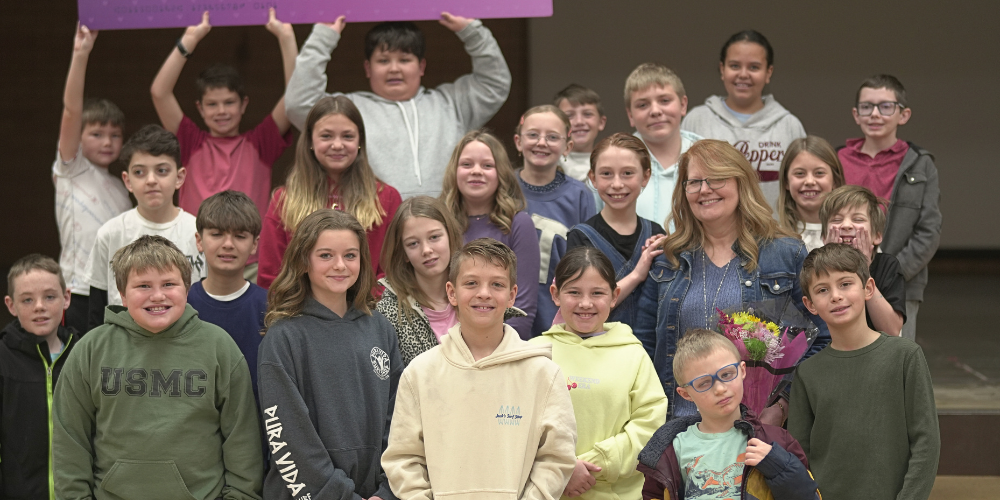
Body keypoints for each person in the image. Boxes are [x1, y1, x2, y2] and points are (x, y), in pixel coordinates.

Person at [54, 235, 262, 499]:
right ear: (122, 294)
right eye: (142, 285)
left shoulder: (219, 347)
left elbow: (242, 439)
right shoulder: (91, 350)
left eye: (168, 284)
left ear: (187, 289)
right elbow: (70, 439)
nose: (157, 295)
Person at [634, 139, 824, 424]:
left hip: (755, 430)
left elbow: (820, 339)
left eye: (717, 178)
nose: (704, 189)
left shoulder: (785, 254)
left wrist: (783, 406)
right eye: (694, 182)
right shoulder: (666, 259)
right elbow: (643, 347)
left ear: (741, 183)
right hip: (679, 430)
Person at [381, 238, 577, 500]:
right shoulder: (419, 374)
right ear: (451, 292)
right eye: (471, 283)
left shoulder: (544, 374)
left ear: (511, 295)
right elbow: (403, 458)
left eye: (496, 284)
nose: (484, 293)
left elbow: (557, 457)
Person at [284, 12, 511, 198]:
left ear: (421, 66)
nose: (394, 69)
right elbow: (298, 103)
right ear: (367, 68)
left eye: (404, 60)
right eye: (383, 61)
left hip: (447, 227)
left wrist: (471, 31)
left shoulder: (451, 104)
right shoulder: (349, 111)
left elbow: (495, 83)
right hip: (374, 226)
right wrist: (323, 37)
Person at [258, 209, 401, 500]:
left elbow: (400, 418)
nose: (340, 265)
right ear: (303, 260)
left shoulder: (380, 328)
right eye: (325, 255)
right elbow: (287, 436)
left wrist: (387, 491)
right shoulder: (284, 337)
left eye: (350, 255)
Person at [789, 244, 940, 500]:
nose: (836, 296)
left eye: (845, 284)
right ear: (810, 304)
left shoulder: (905, 356)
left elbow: (926, 442)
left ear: (868, 288)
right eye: (823, 290)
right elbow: (799, 453)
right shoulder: (807, 372)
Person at [150, 11, 296, 264]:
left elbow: (296, 99)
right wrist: (188, 41)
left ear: (244, 104)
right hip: (194, 260)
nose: (221, 111)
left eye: (229, 102)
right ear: (200, 108)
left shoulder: (261, 142)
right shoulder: (190, 141)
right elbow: (159, 92)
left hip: (250, 264)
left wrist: (286, 38)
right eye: (212, 104)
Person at [531, 247, 667, 500]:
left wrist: (599, 462)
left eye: (597, 293)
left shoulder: (633, 354)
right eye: (573, 292)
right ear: (555, 294)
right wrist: (562, 470)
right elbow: (517, 426)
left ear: (614, 295)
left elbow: (650, 423)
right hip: (546, 491)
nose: (585, 303)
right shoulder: (533, 353)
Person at [637, 329, 819, 500]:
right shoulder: (671, 449)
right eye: (703, 383)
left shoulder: (775, 441)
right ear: (686, 394)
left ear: (742, 371)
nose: (720, 389)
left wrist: (779, 466)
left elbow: (810, 496)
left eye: (727, 374)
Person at [258, 96, 401, 289]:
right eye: (326, 136)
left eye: (347, 136)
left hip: (368, 312)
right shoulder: (284, 200)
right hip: (300, 314)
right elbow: (270, 277)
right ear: (310, 140)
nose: (337, 145)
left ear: (360, 140)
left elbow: (392, 273)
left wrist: (361, 309)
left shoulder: (386, 198)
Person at [837, 74, 941, 341]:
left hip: (901, 281)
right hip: (841, 279)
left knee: (895, 362)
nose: (874, 114)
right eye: (866, 107)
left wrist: (890, 273)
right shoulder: (838, 159)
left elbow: (928, 232)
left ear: (903, 115)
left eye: (885, 106)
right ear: (855, 114)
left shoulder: (920, 164)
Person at [84, 124, 203, 330]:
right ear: (127, 180)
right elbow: (96, 309)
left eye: (162, 171)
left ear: (180, 177)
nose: (151, 180)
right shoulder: (110, 234)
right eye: (139, 172)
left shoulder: (198, 231)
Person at [54, 23, 132, 334]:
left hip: (114, 291)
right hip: (77, 290)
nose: (107, 141)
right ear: (80, 137)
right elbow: (72, 111)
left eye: (115, 135)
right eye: (96, 134)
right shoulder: (70, 168)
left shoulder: (122, 187)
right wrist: (80, 53)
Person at [682, 30, 806, 209]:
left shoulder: (789, 126)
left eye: (754, 67)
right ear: (722, 69)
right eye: (734, 66)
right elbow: (684, 185)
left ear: (768, 72)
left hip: (774, 234)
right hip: (711, 235)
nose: (743, 74)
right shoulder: (697, 120)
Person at [440, 130, 539, 336]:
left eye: (487, 165)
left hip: (504, 346)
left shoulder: (519, 224)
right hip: (447, 342)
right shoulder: (440, 224)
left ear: (501, 173)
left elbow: (523, 309)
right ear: (454, 172)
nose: (476, 171)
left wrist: (491, 350)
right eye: (467, 164)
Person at [566, 133, 666, 327]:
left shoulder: (656, 233)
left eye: (628, 173)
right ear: (593, 178)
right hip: (597, 348)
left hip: (648, 349)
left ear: (646, 177)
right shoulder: (580, 237)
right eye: (606, 174)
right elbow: (584, 305)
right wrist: (637, 274)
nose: (617, 184)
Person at [515, 105, 597, 336]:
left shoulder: (580, 196)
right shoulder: (502, 189)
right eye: (533, 135)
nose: (541, 142)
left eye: (552, 137)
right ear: (518, 141)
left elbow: (586, 263)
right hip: (504, 322)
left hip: (558, 324)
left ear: (567, 146)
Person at [1, 255, 77, 498]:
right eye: (27, 300)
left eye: (50, 296)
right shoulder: (3, 358)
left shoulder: (83, 355)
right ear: (11, 305)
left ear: (66, 299)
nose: (39, 306)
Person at [188, 190, 268, 404]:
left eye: (240, 236)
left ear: (254, 244)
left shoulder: (271, 308)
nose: (228, 244)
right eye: (216, 234)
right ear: (199, 240)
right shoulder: (182, 305)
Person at [621, 63, 703, 227]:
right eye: (642, 105)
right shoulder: (614, 160)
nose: (655, 111)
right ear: (630, 115)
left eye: (664, 100)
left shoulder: (709, 156)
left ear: (683, 105)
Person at [820, 185, 906, 335]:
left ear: (877, 236)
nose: (846, 225)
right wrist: (831, 263)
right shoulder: (815, 268)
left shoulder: (888, 265)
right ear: (824, 237)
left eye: (858, 219)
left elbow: (891, 330)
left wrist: (863, 270)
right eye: (837, 219)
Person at [777, 136, 846, 251]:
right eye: (799, 173)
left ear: (835, 180)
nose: (809, 181)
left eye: (819, 173)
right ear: (786, 182)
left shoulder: (852, 234)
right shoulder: (772, 238)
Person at [554, 84, 607, 181]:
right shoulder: (549, 164)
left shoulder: (610, 163)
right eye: (569, 116)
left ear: (601, 122)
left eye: (587, 114)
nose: (579, 122)